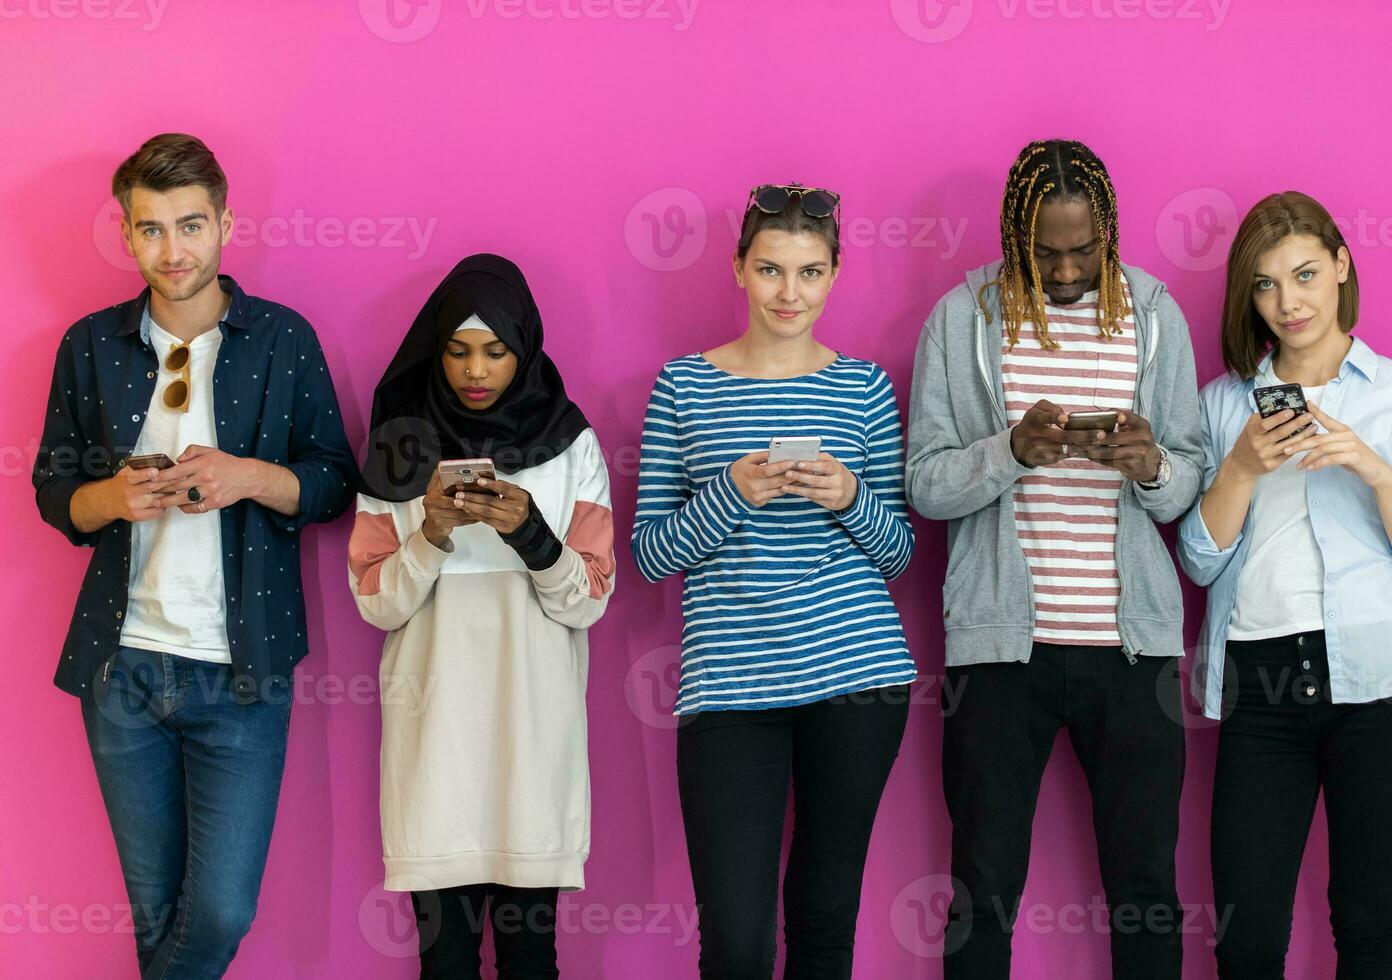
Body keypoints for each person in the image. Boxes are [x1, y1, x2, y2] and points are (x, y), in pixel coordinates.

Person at [32, 132, 356, 978]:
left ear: (225, 224)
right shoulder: (90, 344)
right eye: (149, 229)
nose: (172, 251)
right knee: (155, 914)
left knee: (218, 911)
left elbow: (333, 484)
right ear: (127, 233)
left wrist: (249, 476)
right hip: (122, 665)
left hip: (241, 668)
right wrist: (113, 498)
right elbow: (52, 490)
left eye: (190, 225)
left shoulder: (283, 338)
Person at [906, 139, 1204, 979]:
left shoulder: (1154, 315)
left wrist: (1154, 467)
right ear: (1013, 236)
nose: (1067, 271)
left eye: (1084, 250)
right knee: (983, 886)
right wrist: (1010, 452)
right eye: (1045, 253)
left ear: (1108, 234)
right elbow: (925, 483)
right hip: (1001, 654)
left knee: (1145, 884)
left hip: (1133, 650)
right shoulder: (961, 320)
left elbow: (1187, 485)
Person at [631, 183, 915, 979]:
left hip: (856, 680)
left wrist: (850, 496)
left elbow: (898, 554)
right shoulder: (682, 386)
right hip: (727, 688)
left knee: (824, 922)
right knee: (736, 940)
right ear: (738, 269)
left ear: (836, 274)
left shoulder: (864, 387)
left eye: (810, 272)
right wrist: (732, 492)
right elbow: (651, 554)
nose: (790, 293)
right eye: (770, 270)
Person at [1177, 191, 1392, 979]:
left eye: (1304, 274)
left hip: (1383, 687)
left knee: (1366, 924)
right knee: (1248, 939)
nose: (1287, 302)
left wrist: (1372, 467)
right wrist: (1239, 465)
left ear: (1340, 266)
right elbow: (1200, 563)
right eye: (1265, 285)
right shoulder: (1222, 403)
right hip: (1261, 684)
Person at [350, 254, 614, 979]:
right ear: (435, 353)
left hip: (533, 746)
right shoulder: (399, 450)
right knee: (446, 965)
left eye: (496, 352)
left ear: (523, 349)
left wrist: (532, 534)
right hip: (433, 752)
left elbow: (589, 599)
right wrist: (430, 534)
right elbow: (376, 602)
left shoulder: (570, 443)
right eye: (458, 351)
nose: (476, 370)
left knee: (533, 961)